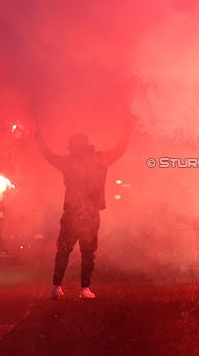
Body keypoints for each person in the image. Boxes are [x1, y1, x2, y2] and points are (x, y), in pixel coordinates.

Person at [35, 125, 129, 299]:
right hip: (90, 214)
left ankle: (57, 287)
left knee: (64, 250)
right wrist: (127, 131)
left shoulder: (70, 162)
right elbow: (120, 149)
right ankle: (84, 288)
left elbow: (49, 156)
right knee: (87, 251)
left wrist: (39, 139)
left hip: (72, 213)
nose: (70, 150)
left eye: (71, 147)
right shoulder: (100, 159)